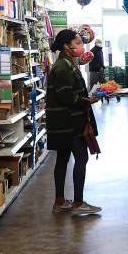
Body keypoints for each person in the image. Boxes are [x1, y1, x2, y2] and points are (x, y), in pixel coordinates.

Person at [47, 29, 102, 215]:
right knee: (81, 157)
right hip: (69, 122)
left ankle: (60, 201)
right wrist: (88, 100)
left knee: (62, 159)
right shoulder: (63, 67)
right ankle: (78, 203)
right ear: (66, 46)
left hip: (62, 122)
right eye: (77, 43)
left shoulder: (65, 63)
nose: (81, 46)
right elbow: (65, 95)